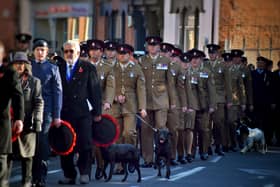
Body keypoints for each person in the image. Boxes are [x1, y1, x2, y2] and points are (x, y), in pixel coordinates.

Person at [56, 40, 102, 185]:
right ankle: (69, 174)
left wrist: (97, 112)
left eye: (72, 51)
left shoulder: (87, 67)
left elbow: (95, 91)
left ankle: (84, 173)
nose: (69, 54)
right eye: (66, 51)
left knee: (85, 144)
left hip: (83, 113)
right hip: (64, 112)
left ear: (78, 52)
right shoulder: (58, 67)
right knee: (65, 144)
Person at [6, 52, 44, 187]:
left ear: (26, 65)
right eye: (17, 63)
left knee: (27, 156)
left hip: (28, 123)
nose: (20, 66)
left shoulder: (34, 82)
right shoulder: (6, 80)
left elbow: (39, 102)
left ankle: (27, 182)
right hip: (9, 124)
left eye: (22, 63)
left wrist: (37, 119)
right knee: (7, 155)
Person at [138, 36, 176, 168]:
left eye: (155, 45)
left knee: (161, 130)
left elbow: (170, 83)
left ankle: (163, 156)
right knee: (146, 130)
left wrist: (172, 101)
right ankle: (148, 159)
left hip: (161, 100)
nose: (153, 47)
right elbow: (138, 82)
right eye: (150, 45)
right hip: (146, 100)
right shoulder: (142, 60)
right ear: (147, 47)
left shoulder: (166, 60)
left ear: (159, 46)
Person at [31, 38, 62, 187]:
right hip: (29, 111)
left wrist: (57, 115)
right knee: (30, 144)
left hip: (46, 111)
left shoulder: (53, 68)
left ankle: (41, 177)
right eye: (37, 49)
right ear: (33, 51)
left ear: (47, 52)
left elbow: (58, 93)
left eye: (43, 50)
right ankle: (30, 176)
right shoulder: (27, 67)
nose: (40, 52)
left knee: (43, 144)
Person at [111, 43, 147, 173]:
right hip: (115, 107)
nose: (121, 56)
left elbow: (141, 89)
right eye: (119, 54)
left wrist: (142, 107)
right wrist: (114, 97)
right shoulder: (112, 68)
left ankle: (132, 157)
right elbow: (106, 87)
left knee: (129, 133)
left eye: (124, 54)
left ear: (129, 55)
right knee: (118, 136)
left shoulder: (136, 68)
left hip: (131, 106)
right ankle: (120, 165)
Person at [0, 41, 24, 187]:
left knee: (1, 157)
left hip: (2, 122)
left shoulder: (9, 73)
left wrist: (19, 119)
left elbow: (18, 96)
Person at [186, 49, 216, 160]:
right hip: (190, 104)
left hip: (204, 104)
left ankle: (203, 151)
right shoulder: (186, 71)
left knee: (203, 129)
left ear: (201, 59)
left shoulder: (207, 72)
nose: (194, 61)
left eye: (197, 58)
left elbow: (211, 90)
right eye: (192, 58)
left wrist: (212, 105)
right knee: (191, 129)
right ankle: (191, 152)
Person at [205, 44, 232, 156]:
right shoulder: (204, 64)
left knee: (218, 123)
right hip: (206, 98)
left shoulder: (223, 65)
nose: (211, 55)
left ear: (217, 54)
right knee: (206, 124)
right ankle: (207, 146)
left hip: (219, 98)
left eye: (213, 53)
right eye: (210, 53)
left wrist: (229, 100)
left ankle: (218, 145)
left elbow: (228, 84)